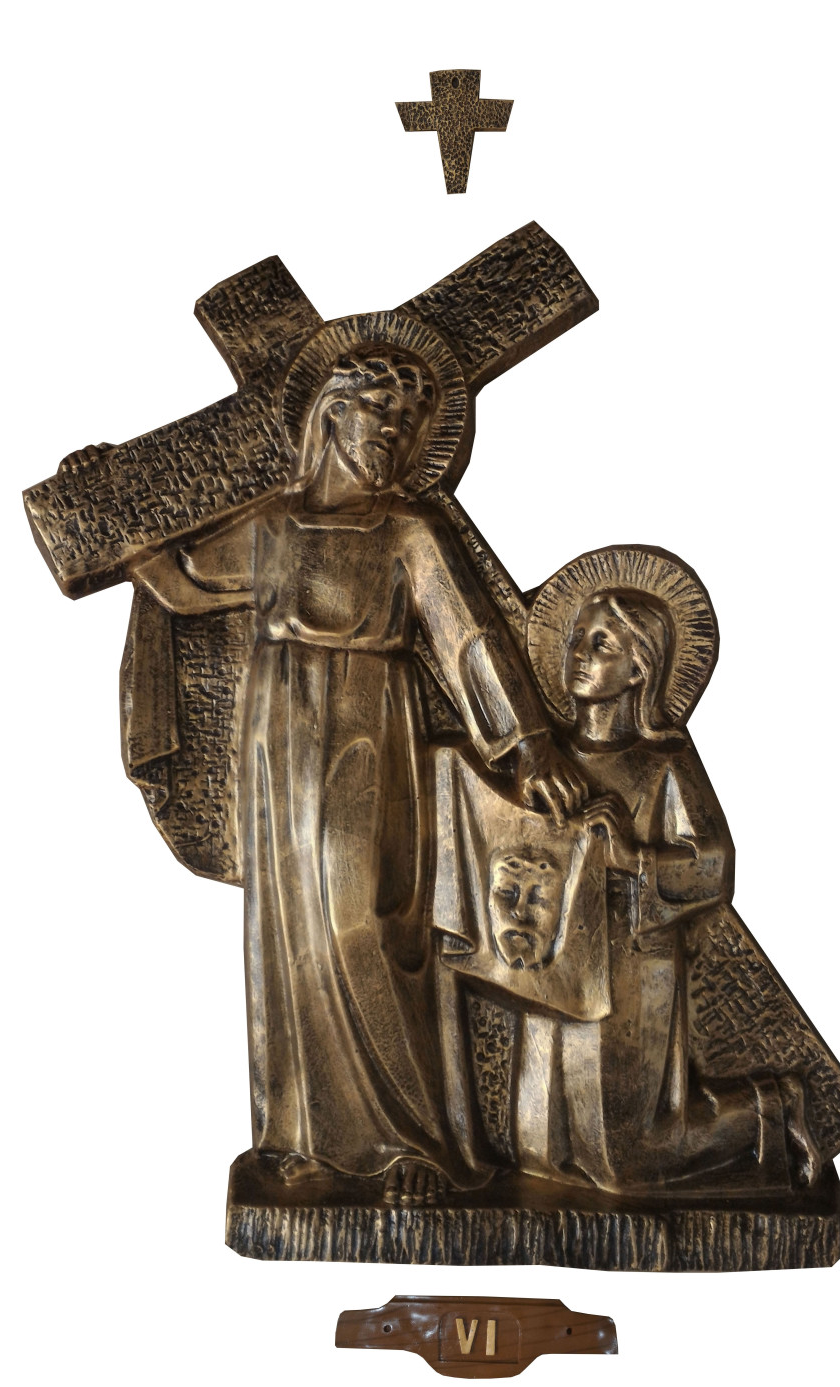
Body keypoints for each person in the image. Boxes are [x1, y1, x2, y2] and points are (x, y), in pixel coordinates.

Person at [133, 319, 586, 1205]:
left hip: (369, 732)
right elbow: (179, 582)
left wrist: (529, 746)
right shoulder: (272, 524)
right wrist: (112, 498)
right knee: (292, 934)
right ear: (332, 416)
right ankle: (308, 1141)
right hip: (280, 741)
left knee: (365, 924)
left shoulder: (409, 530)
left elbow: (469, 642)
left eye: (407, 427)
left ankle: (410, 1141)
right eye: (379, 414)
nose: (393, 437)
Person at [520, 549, 822, 1190]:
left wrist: (633, 856)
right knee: (539, 1149)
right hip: (552, 963)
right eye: (576, 638)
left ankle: (771, 1108)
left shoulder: (661, 764)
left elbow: (714, 866)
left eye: (601, 644)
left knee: (623, 1160)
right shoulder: (545, 761)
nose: (579, 653)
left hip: (632, 964)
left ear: (640, 668)